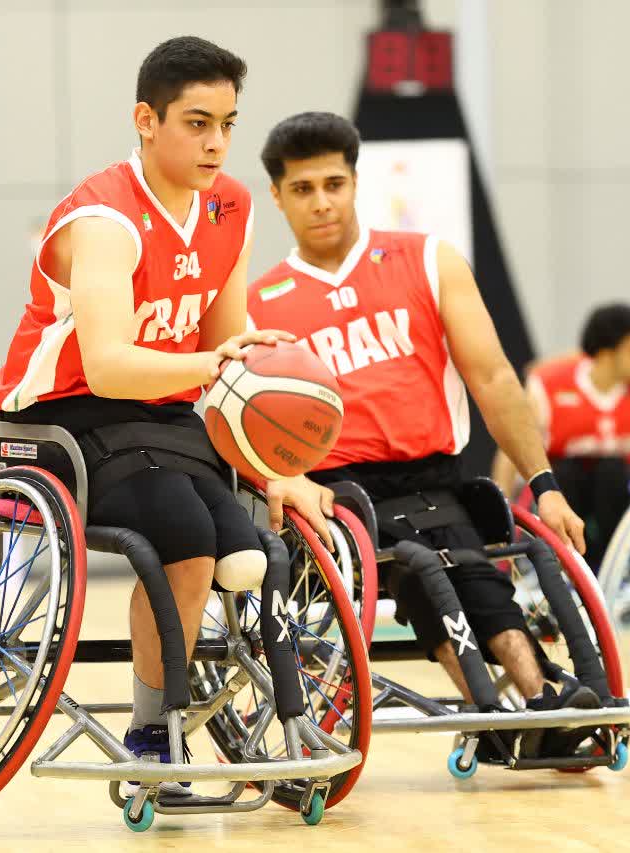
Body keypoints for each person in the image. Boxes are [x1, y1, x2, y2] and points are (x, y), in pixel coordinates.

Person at [0, 37, 323, 781]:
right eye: (197, 123)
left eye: (227, 124)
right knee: (185, 538)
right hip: (58, 415)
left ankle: (257, 712)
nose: (217, 143)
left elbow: (228, 346)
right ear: (146, 120)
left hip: (159, 415)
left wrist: (277, 462)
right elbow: (108, 364)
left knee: (249, 553)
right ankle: (152, 733)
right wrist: (216, 364)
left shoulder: (231, 207)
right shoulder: (104, 219)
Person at [245, 111, 598, 751]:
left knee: (476, 573)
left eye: (333, 184)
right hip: (339, 496)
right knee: (421, 567)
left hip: (435, 476)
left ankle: (541, 699)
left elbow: (494, 377)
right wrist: (285, 477)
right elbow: (240, 422)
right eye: (303, 189)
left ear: (355, 182)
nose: (321, 202)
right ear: (277, 196)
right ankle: (499, 717)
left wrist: (545, 485)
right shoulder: (257, 303)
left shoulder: (428, 260)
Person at [495, 304, 630, 568]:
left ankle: (619, 565)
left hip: (621, 491)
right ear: (607, 355)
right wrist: (498, 518)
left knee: (611, 470)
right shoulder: (549, 385)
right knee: (566, 473)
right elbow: (510, 450)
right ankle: (569, 565)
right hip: (566, 492)